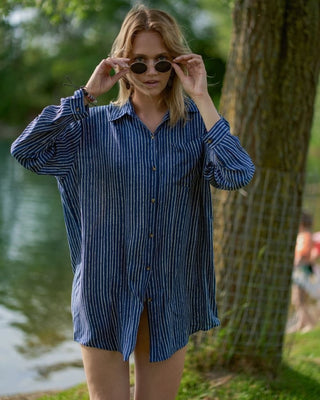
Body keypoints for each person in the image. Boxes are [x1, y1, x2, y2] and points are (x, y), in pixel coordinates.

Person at [11, 4, 255, 400]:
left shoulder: (197, 129)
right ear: (122, 65)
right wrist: (88, 94)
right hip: (103, 291)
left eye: (163, 61)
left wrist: (203, 100)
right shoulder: (89, 127)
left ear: (177, 62)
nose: (153, 72)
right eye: (139, 63)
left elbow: (237, 173)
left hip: (169, 294)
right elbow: (27, 151)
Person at [291, 211, 316, 332]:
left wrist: (296, 262)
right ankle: (301, 323)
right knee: (298, 299)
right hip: (302, 270)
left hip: (302, 270)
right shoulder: (304, 235)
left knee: (298, 299)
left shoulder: (305, 236)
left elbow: (304, 253)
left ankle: (310, 323)